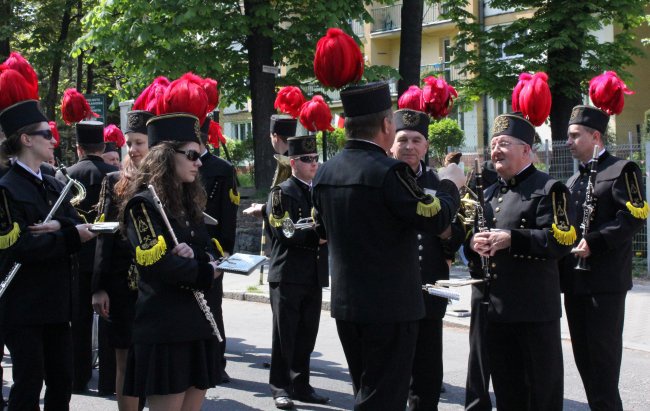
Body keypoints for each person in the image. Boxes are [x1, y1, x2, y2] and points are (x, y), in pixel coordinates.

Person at [311, 82, 460, 410]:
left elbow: (320, 228)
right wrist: (451, 183)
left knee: (365, 390)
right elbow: (434, 216)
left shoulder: (325, 172)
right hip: (390, 308)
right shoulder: (389, 172)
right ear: (386, 126)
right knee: (384, 399)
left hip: (348, 305)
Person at [464, 112, 576, 410]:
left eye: (504, 144)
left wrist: (513, 238)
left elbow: (561, 242)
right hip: (497, 312)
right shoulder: (487, 194)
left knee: (541, 391)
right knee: (508, 391)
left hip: (533, 312)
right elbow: (474, 244)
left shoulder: (550, 190)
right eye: (493, 144)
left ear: (527, 150)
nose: (495, 151)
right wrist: (474, 245)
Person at [119, 112, 222, 411]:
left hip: (196, 323)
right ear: (165, 155)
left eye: (199, 155)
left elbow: (207, 250)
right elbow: (158, 265)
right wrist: (204, 270)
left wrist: (198, 257)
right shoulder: (142, 205)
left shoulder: (187, 203)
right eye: (191, 155)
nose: (198, 163)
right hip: (165, 329)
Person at [0, 95, 96, 410]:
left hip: (58, 302)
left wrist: (61, 229)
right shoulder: (6, 188)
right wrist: (68, 235)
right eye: (46, 134)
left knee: (62, 381)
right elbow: (19, 247)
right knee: (29, 382)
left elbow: (78, 227)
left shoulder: (55, 186)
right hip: (23, 305)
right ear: (26, 139)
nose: (53, 140)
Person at [560, 103, 647, 410]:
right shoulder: (572, 181)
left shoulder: (624, 170)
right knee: (584, 361)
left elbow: (634, 217)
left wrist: (594, 242)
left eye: (574, 136)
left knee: (603, 364)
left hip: (605, 283)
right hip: (575, 283)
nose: (568, 142)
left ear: (595, 136)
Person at [390, 109, 465, 411]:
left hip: (430, 288)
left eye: (416, 140)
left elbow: (458, 231)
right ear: (391, 145)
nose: (409, 146)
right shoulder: (384, 179)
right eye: (403, 139)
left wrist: (447, 230)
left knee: (428, 371)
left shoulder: (438, 180)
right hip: (392, 291)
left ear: (426, 146)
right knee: (393, 370)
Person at [92, 109, 153, 411]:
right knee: (124, 360)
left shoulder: (168, 181)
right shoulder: (114, 180)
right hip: (122, 286)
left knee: (157, 363)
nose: (133, 149)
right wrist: (99, 287)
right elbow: (104, 237)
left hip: (158, 286)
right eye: (130, 142)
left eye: (140, 142)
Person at [266, 135, 329, 410]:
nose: (313, 163)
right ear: (293, 162)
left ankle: (301, 385)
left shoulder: (320, 190)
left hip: (313, 273)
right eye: (307, 159)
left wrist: (317, 233)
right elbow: (285, 231)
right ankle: (280, 386)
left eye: (315, 158)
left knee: (307, 334)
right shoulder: (281, 192)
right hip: (288, 273)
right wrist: (319, 237)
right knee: (285, 334)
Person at [55, 120, 119, 393]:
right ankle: (108, 381)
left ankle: (78, 378)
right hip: (107, 257)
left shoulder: (64, 175)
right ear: (102, 146)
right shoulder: (115, 174)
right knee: (108, 320)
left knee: (78, 321)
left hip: (76, 256)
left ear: (79, 148)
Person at [198, 118, 239, 383]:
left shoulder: (222, 168)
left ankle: (216, 362)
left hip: (213, 248)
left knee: (213, 307)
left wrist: (224, 252)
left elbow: (228, 214)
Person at [242, 115, 297, 218]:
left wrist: (262, 209)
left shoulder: (287, 163)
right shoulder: (294, 160)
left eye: (271, 137)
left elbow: (284, 204)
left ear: (275, 137)